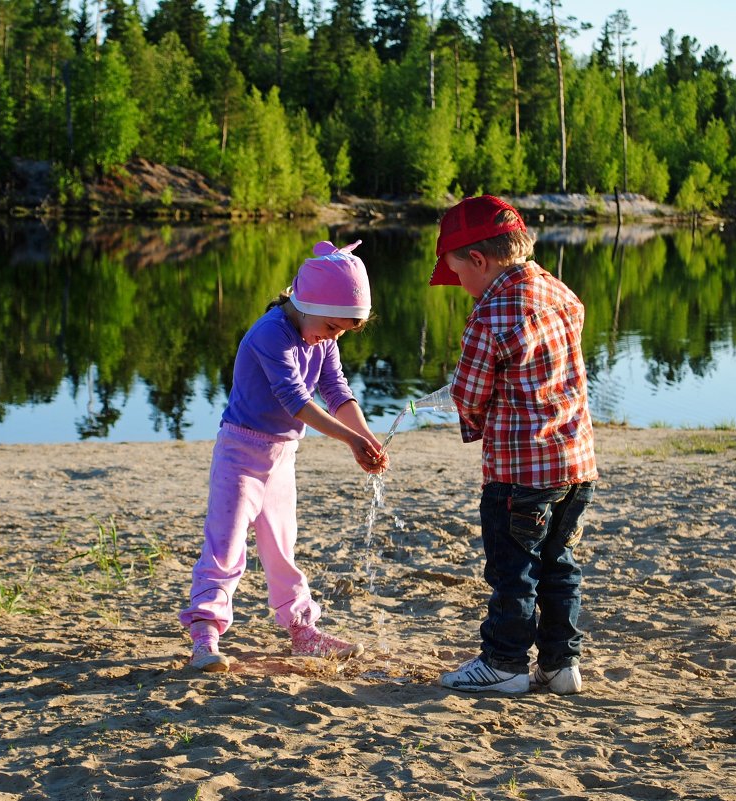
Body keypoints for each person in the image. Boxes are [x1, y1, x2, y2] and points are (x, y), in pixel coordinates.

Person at [179, 240, 389, 672]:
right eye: (332, 327)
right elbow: (297, 401)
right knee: (226, 547)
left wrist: (366, 437)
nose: (333, 338)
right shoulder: (270, 333)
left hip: (282, 457)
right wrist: (350, 440)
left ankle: (302, 630)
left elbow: (335, 392)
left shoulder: (321, 336)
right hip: (240, 453)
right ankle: (205, 635)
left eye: (342, 332)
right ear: (305, 303)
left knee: (282, 549)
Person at [430, 195, 598, 695]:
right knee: (560, 565)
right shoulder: (561, 292)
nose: (460, 285)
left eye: (458, 273)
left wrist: (464, 406)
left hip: (518, 474)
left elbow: (470, 395)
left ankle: (503, 663)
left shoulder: (491, 314)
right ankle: (560, 665)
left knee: (513, 571)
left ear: (478, 260)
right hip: (575, 464)